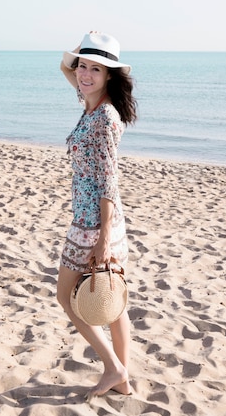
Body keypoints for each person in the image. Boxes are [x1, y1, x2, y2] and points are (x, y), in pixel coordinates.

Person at [56, 31, 138, 400]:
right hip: (108, 222)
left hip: (93, 225)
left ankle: (113, 367)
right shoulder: (92, 102)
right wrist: (83, 47)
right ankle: (122, 380)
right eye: (83, 66)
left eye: (96, 69)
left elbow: (108, 181)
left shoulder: (103, 117)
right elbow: (64, 65)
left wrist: (102, 238)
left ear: (110, 76)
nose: (84, 74)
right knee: (114, 300)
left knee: (66, 298)